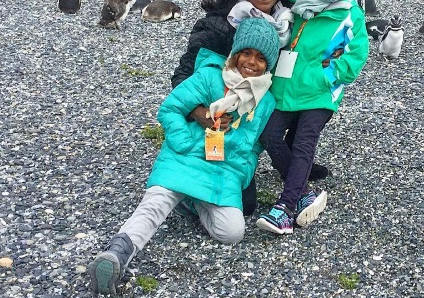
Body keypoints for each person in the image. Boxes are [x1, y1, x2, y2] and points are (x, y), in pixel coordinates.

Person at [89, 18, 281, 296]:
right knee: (153, 207)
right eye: (246, 53)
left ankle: (191, 203)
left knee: (232, 233)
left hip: (223, 172)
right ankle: (116, 255)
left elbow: (254, 146)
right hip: (186, 158)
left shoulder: (266, 101)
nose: (251, 62)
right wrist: (183, 142)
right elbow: (169, 110)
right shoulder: (209, 78)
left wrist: (243, 170)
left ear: (269, 64)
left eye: (261, 58)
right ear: (235, 53)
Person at [171, 0, 330, 214]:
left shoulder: (290, 24)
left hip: (252, 124)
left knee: (308, 103)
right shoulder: (219, 25)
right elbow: (182, 76)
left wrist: (330, 58)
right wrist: (198, 112)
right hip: (216, 126)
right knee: (244, 207)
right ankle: (186, 185)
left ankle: (292, 165)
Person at [256, 0, 370, 235]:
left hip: (319, 92)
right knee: (269, 135)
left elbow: (358, 54)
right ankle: (304, 189)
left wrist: (327, 76)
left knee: (305, 143)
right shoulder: (296, 4)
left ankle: (286, 207)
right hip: (285, 86)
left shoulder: (348, 13)